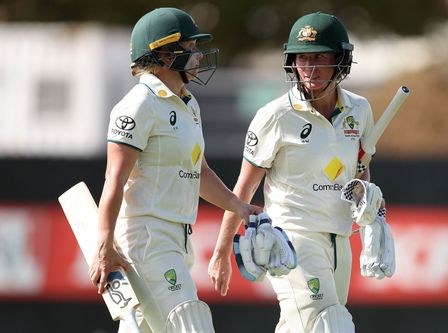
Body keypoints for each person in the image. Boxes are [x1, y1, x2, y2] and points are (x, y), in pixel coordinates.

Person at [88, 7, 262, 333]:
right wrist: (104, 245)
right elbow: (115, 179)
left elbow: (199, 173)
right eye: (191, 47)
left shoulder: (188, 103)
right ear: (165, 55)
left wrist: (240, 208)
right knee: (190, 323)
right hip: (147, 240)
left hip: (179, 239)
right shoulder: (139, 104)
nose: (197, 55)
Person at [209, 12, 382, 332]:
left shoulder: (360, 110)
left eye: (320, 57)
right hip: (291, 238)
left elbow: (360, 173)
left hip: (339, 237)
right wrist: (221, 251)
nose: (311, 69)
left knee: (300, 325)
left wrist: (368, 205)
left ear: (340, 61)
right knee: (330, 324)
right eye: (303, 58)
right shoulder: (275, 116)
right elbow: (243, 188)